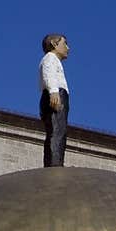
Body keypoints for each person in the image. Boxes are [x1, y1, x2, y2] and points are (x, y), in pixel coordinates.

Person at [38, 34, 70, 167]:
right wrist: (53, 92)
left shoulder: (53, 60)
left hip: (57, 94)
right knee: (57, 131)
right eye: (65, 43)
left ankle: (55, 162)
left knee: (58, 130)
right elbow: (48, 74)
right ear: (54, 44)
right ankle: (54, 163)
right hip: (55, 95)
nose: (68, 48)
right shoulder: (50, 58)